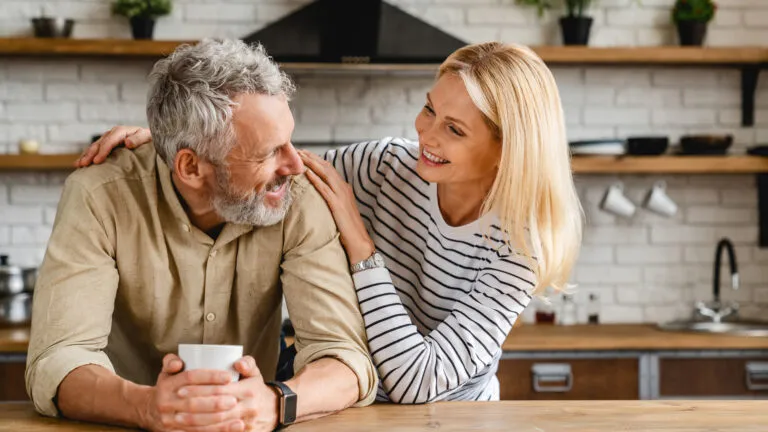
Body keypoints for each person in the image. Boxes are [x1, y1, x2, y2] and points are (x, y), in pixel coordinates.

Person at [79, 41, 582, 404]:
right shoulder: (388, 165)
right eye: (429, 109)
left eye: (453, 129)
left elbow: (418, 381)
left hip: (448, 417)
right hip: (344, 404)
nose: (425, 133)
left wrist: (361, 246)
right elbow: (263, 163)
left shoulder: (521, 246)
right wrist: (174, 138)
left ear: (507, 150)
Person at [26, 38, 377, 432]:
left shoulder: (297, 197)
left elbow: (345, 359)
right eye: (267, 152)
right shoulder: (99, 194)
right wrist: (145, 407)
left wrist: (276, 403)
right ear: (191, 168)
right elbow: (57, 362)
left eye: (290, 141)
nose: (294, 164)